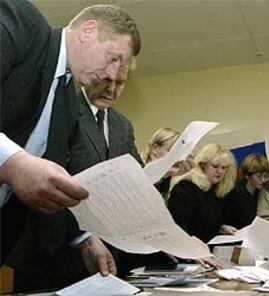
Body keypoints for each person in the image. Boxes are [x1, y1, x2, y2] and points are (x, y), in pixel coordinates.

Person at [0, 0, 140, 264]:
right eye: (113, 58)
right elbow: (19, 166)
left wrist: (85, 239)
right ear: (88, 31)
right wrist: (12, 163)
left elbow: (57, 183)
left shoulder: (67, 103)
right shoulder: (20, 21)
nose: (111, 74)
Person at [7, 62, 145, 292]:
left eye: (120, 83)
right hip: (51, 254)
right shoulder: (61, 110)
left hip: (106, 255)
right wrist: (85, 237)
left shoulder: (122, 125)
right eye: (105, 80)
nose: (111, 90)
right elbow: (49, 183)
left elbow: (135, 175)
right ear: (88, 74)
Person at [168, 143, 238, 243]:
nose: (219, 171)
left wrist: (220, 228)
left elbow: (206, 222)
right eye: (215, 166)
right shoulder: (185, 189)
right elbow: (180, 228)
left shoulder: (215, 189)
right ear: (203, 165)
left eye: (224, 168)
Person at [223, 154, 269, 229]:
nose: (263, 180)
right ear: (247, 176)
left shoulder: (257, 191)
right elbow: (248, 221)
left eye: (265, 176)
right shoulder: (236, 193)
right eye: (259, 176)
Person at [143, 127, 193, 197]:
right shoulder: (137, 170)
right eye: (170, 151)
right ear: (155, 149)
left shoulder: (170, 178)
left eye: (178, 153)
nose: (176, 157)